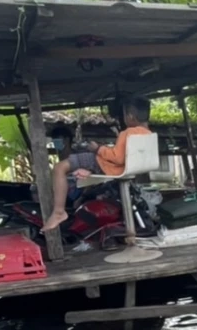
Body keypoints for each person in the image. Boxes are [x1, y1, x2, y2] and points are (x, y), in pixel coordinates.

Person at [43, 97, 152, 231]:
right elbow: (122, 157)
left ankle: (59, 212)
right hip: (114, 169)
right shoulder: (149, 135)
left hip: (105, 165)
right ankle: (86, 172)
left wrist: (98, 149)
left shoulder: (127, 133)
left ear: (130, 116)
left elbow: (117, 158)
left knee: (59, 167)